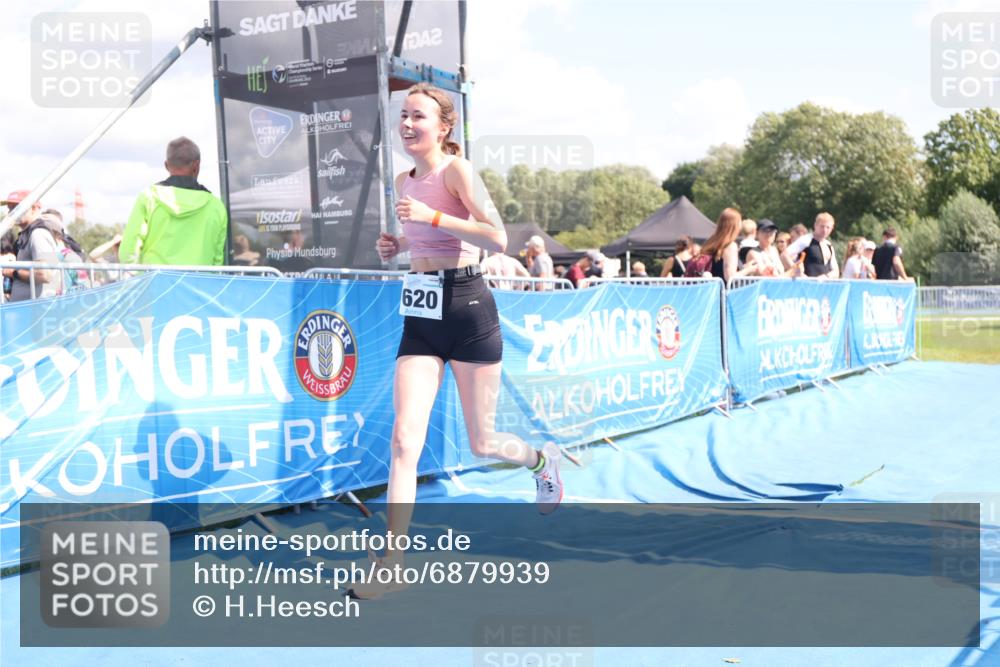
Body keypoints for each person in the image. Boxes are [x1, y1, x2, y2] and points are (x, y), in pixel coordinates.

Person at [362, 83, 563, 599]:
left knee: (482, 442)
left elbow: (496, 238)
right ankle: (393, 563)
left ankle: (541, 462)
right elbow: (422, 238)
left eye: (418, 117)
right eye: (403, 116)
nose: (407, 124)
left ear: (444, 127)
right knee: (406, 439)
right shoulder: (405, 180)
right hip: (421, 311)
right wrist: (399, 243)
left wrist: (433, 218)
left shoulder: (458, 170)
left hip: (469, 308)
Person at [119, 137, 228, 266]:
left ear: (166, 165)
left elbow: (128, 251)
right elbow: (218, 259)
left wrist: (140, 279)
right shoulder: (216, 206)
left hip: (156, 284)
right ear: (197, 165)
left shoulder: (148, 198)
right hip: (198, 284)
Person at [685, 208, 758, 282]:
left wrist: (743, 268)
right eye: (740, 221)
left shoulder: (712, 242)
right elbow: (730, 277)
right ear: (734, 225)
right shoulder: (730, 246)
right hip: (722, 291)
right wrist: (748, 270)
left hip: (711, 290)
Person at [783, 212, 839, 278]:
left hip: (824, 286)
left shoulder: (829, 245)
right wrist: (796, 270)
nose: (824, 230)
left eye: (828, 227)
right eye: (822, 226)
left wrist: (826, 276)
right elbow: (784, 255)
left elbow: (836, 271)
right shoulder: (806, 240)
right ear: (815, 225)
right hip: (806, 285)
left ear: (832, 229)